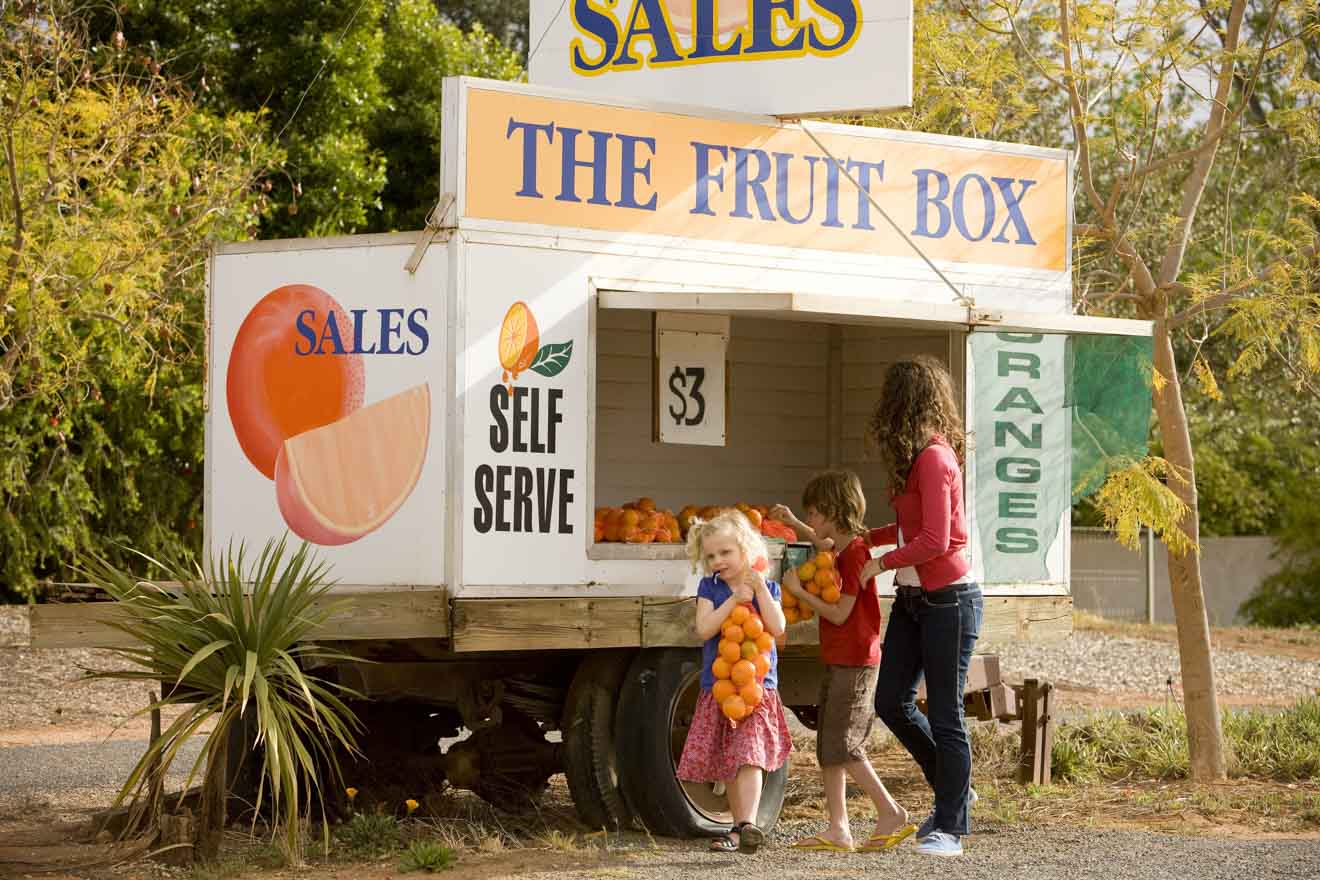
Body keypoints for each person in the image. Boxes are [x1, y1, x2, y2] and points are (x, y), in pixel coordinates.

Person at [859, 355, 982, 857]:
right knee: (891, 701)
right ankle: (955, 788)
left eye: (890, 399)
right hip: (914, 600)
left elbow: (937, 539)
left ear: (903, 403)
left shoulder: (934, 458)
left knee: (948, 712)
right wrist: (867, 538)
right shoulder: (914, 459)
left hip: (948, 600)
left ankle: (951, 828)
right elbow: (913, 527)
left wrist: (880, 562)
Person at [773, 471, 915, 853]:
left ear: (835, 511)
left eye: (815, 513)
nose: (813, 521)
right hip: (841, 660)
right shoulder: (843, 544)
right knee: (829, 747)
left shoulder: (854, 555)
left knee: (846, 746)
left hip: (855, 663)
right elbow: (821, 540)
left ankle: (891, 811)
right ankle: (838, 829)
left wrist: (799, 591)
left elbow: (839, 614)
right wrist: (793, 523)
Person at [676, 511, 792, 854]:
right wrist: (733, 600)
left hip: (757, 688)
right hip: (721, 688)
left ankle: (748, 823)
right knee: (729, 758)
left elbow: (778, 626)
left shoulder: (766, 585)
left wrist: (757, 590)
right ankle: (739, 827)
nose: (717, 560)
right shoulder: (710, 588)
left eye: (725, 552)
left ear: (745, 549)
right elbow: (704, 628)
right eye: (710, 555)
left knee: (750, 755)